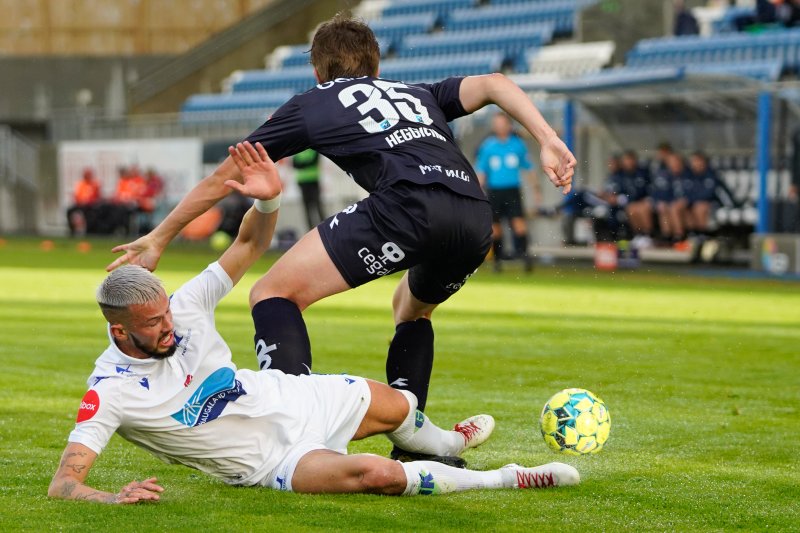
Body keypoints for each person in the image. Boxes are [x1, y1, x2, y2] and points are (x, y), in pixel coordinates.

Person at [106, 14, 575, 467]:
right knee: (411, 309)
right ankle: (414, 438)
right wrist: (549, 139)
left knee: (273, 293)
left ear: (317, 70)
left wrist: (160, 236)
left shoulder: (313, 101)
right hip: (474, 217)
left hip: (407, 207)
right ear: (376, 67)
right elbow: (495, 82)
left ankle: (295, 428)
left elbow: (224, 178)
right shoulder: (416, 92)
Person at [48, 142, 579, 503]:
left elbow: (250, 245)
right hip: (271, 461)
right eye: (155, 326)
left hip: (292, 396)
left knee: (400, 407)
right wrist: (112, 497)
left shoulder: (183, 307)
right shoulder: (110, 391)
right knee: (376, 473)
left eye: (166, 312)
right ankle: (509, 479)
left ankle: (446, 444)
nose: (170, 327)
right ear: (120, 333)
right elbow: (64, 484)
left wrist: (269, 197)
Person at [475, 112, 541, 272]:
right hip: (494, 191)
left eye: (501, 123)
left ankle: (525, 258)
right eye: (496, 123)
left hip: (512, 191)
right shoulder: (488, 145)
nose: (498, 126)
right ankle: (498, 262)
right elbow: (481, 171)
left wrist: (536, 189)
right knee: (495, 228)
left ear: (509, 125)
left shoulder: (517, 144)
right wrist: (476, 193)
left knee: (519, 225)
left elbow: (528, 167)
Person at [682, 151, 736, 234]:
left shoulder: (711, 175)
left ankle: (703, 235)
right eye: (693, 161)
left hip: (715, 203)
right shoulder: (689, 175)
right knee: (684, 207)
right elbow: (687, 192)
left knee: (700, 207)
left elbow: (710, 194)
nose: (695, 164)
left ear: (703, 161)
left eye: (697, 161)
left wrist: (694, 200)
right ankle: (690, 235)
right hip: (696, 202)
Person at [292, 148, 326, 230]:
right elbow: (295, 164)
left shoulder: (313, 149)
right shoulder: (297, 151)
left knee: (318, 206)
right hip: (303, 182)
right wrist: (307, 162)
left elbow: (314, 161)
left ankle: (324, 227)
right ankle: (310, 229)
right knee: (307, 208)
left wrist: (302, 163)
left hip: (313, 181)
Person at [66, 168, 102, 236]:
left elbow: (97, 196)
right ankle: (72, 231)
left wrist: (89, 201)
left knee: (91, 213)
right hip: (80, 204)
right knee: (69, 210)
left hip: (90, 205)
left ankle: (89, 232)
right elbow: (76, 195)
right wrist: (80, 201)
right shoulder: (80, 184)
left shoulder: (95, 184)